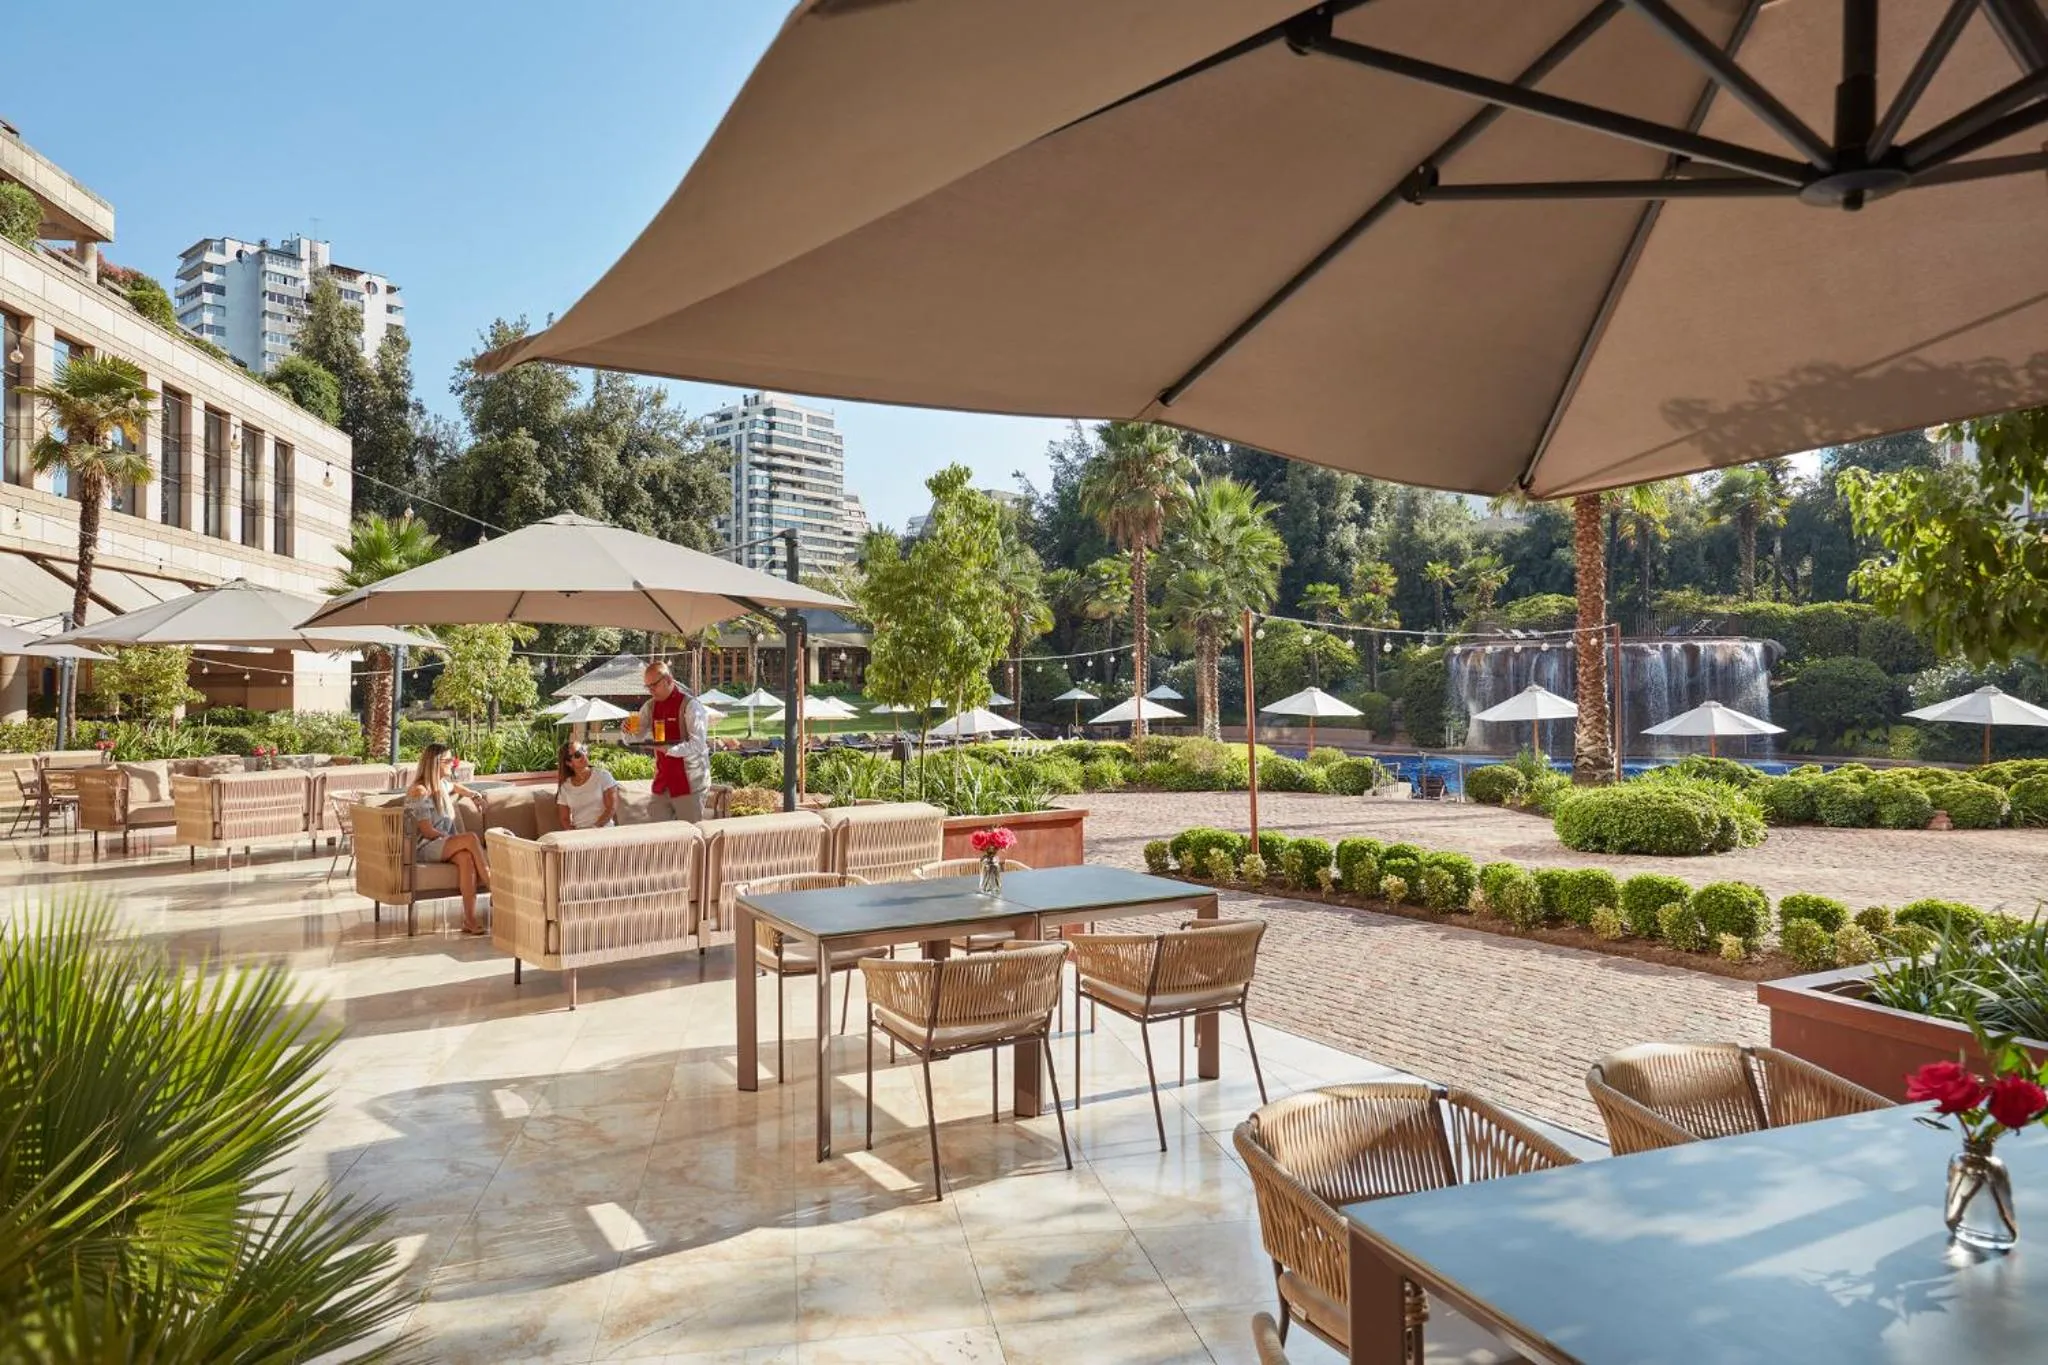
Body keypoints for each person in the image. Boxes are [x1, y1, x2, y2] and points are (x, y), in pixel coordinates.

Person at [406, 743, 490, 934]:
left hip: (442, 843)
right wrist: (454, 841)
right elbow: (427, 832)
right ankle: (492, 883)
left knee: (466, 859)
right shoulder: (420, 790)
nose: (453, 764)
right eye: (449, 761)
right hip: (425, 846)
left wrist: (473, 795)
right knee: (469, 839)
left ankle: (469, 920)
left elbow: (456, 787)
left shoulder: (442, 784)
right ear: (435, 764)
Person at [628, 660, 710, 821]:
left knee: (691, 835)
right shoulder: (649, 707)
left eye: (654, 685)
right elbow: (635, 737)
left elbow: (698, 744)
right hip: (662, 783)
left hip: (689, 783)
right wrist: (627, 731)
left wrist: (669, 749)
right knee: (660, 836)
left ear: (669, 680)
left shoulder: (690, 705)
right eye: (647, 687)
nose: (651, 690)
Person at [555, 740, 619, 829]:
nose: (583, 755)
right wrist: (573, 834)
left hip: (604, 830)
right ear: (569, 763)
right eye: (578, 754)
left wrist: (594, 828)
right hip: (579, 834)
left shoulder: (603, 776)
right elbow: (564, 819)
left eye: (583, 749)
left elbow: (611, 808)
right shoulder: (565, 787)